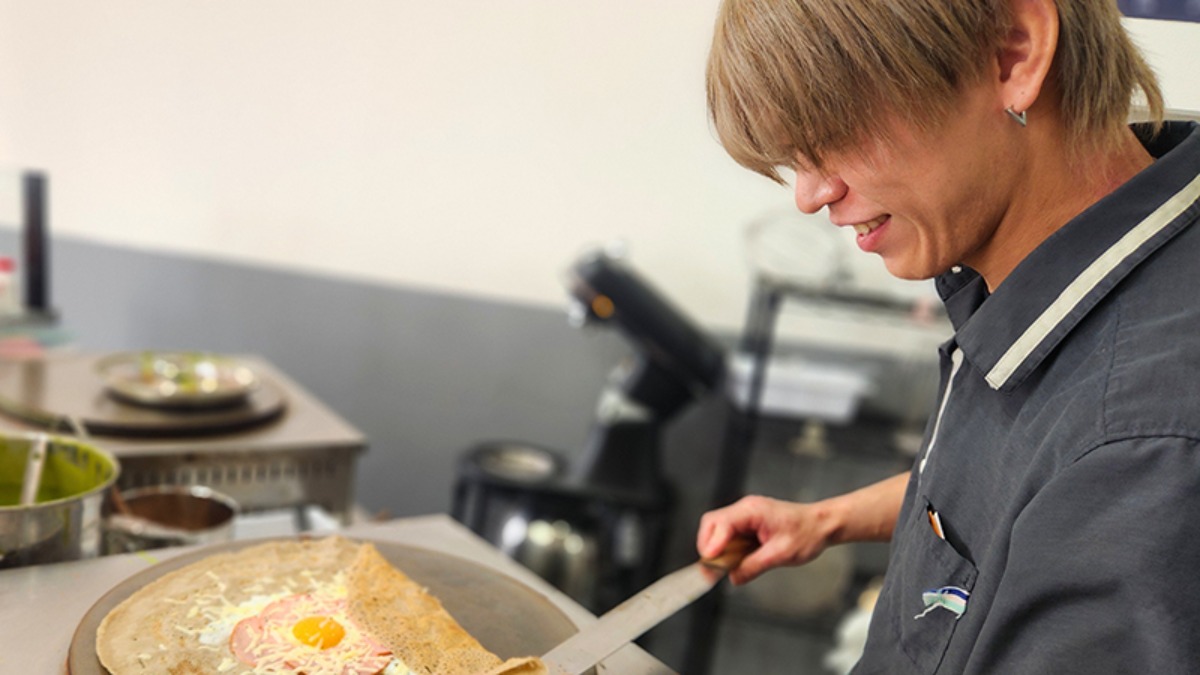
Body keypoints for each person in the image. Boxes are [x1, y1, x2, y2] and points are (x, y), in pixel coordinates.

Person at [695, 0, 1200, 672]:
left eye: (834, 131)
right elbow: (1018, 481)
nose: (811, 195)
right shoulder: (1046, 278)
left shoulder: (1139, 449)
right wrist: (828, 520)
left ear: (1013, 55)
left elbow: (1098, 464)